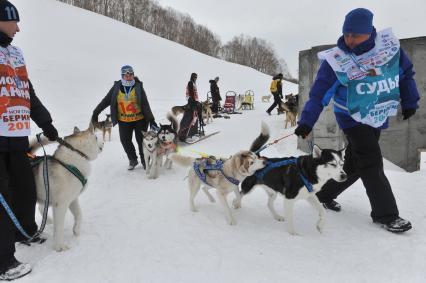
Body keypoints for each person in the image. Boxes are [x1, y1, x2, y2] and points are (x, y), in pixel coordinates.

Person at [295, 8, 420, 233]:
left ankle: (323, 195)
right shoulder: (337, 60)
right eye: (346, 34)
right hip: (351, 117)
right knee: (371, 160)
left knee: (355, 162)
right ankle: (386, 215)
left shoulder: (389, 50)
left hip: (377, 114)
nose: (350, 40)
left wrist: (410, 101)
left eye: (356, 35)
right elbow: (319, 93)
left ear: (369, 33)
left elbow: (405, 75)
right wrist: (306, 121)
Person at [0, 1, 59, 280]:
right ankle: (3, 262)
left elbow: (26, 92)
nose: (18, 28)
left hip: (16, 135)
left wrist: (45, 122)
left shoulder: (15, 53)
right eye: (14, 22)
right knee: (2, 197)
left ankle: (24, 230)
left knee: (24, 189)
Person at [92, 65, 157, 170]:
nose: (128, 77)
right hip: (124, 120)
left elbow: (145, 104)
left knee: (141, 140)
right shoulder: (116, 87)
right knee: (125, 140)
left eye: (130, 74)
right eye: (126, 75)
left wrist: (151, 119)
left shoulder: (138, 86)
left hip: (140, 119)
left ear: (133, 75)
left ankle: (145, 161)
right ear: (122, 75)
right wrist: (96, 112)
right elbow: (106, 100)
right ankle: (132, 159)